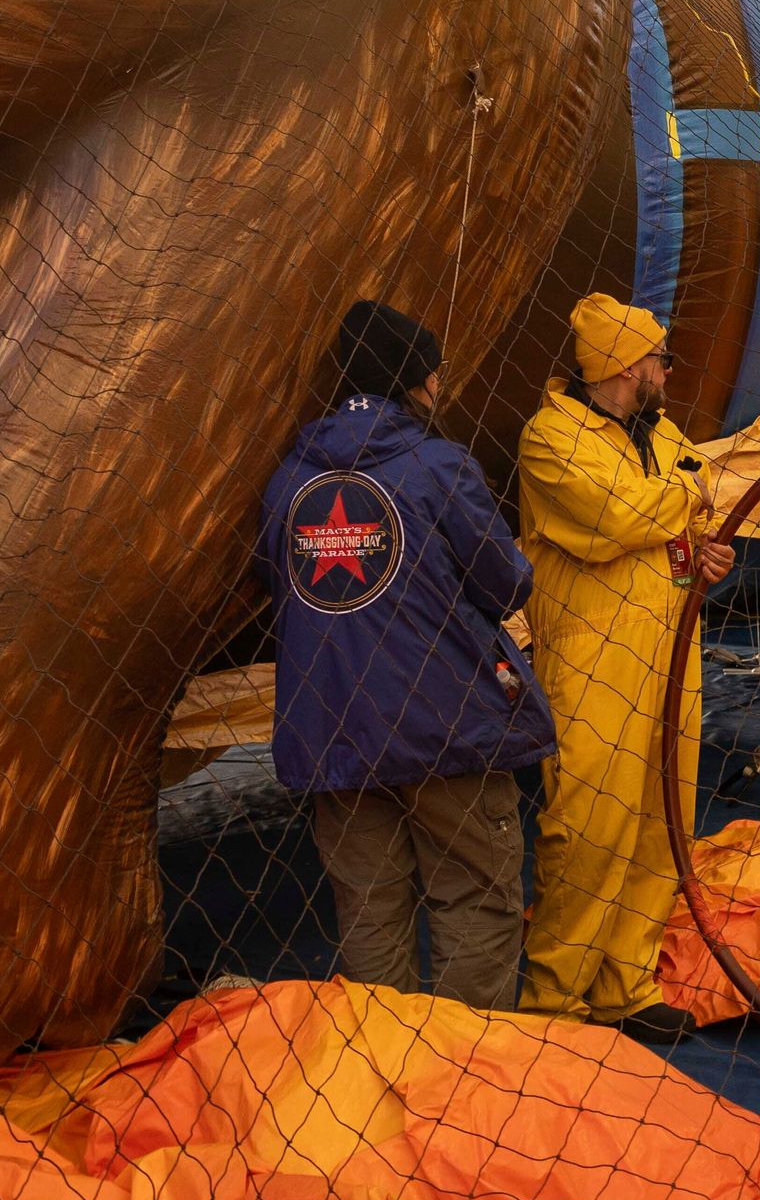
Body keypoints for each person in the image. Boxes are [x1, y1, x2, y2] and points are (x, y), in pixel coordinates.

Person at [259, 299, 555, 1008]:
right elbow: (505, 580)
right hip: (445, 724)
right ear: (417, 380)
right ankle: (461, 1083)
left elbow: (275, 581)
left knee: (369, 915)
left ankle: (381, 1082)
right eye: (435, 373)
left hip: (334, 730)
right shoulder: (438, 464)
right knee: (475, 899)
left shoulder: (288, 477)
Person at [515, 292, 735, 1041]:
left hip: (672, 656)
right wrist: (685, 495)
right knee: (588, 824)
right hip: (593, 662)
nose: (667, 370)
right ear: (622, 365)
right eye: (656, 358)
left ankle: (625, 983)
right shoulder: (550, 439)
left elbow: (687, 513)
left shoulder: (660, 434)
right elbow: (614, 521)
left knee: (657, 823)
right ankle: (555, 997)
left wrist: (702, 550)